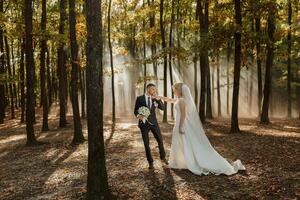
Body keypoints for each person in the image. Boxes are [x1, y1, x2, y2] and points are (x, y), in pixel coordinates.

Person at [158, 83, 245, 175]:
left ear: (179, 90)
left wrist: (180, 127)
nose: (173, 91)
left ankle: (181, 162)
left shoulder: (182, 101)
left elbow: (183, 115)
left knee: (184, 143)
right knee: (180, 143)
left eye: (174, 89)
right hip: (180, 124)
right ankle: (177, 162)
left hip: (182, 124)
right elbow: (170, 100)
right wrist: (160, 97)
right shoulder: (179, 100)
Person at [134, 83, 168, 169]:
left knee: (160, 140)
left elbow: (163, 108)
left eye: (155, 89)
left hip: (154, 123)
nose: (154, 91)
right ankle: (150, 162)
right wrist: (139, 116)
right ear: (148, 89)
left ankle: (163, 157)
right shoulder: (140, 98)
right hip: (144, 124)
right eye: (153, 89)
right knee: (146, 143)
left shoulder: (155, 98)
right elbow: (135, 111)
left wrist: (158, 99)